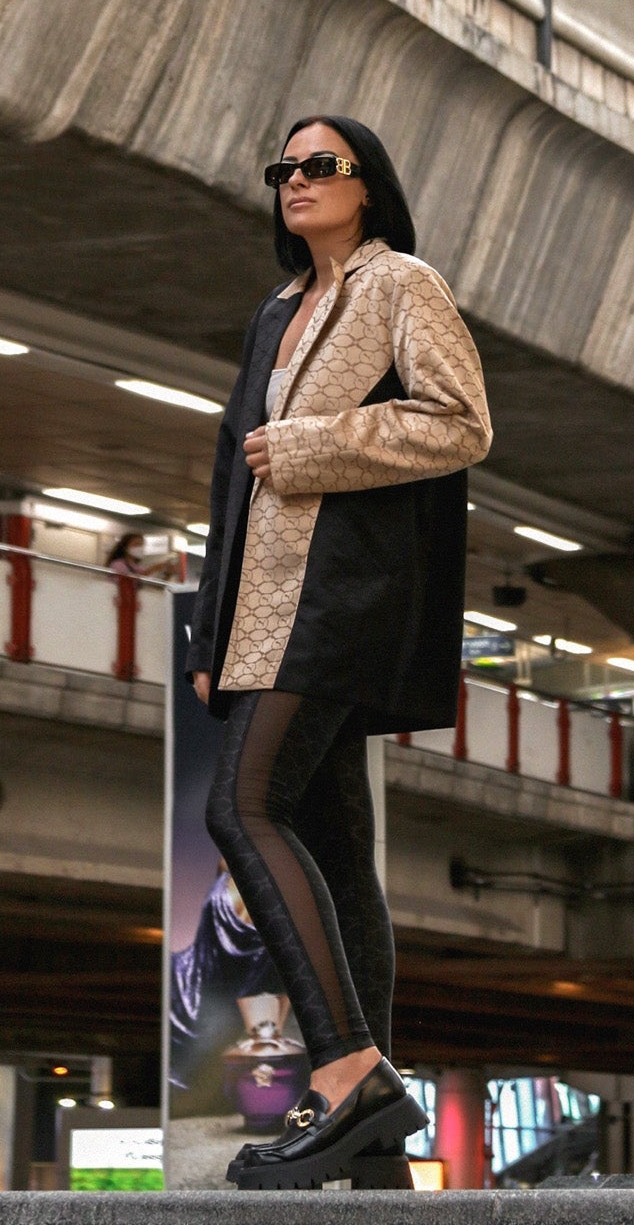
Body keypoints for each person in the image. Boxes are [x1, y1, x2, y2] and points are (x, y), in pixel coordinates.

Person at [187, 115, 492, 1189]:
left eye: (322, 165)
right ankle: (378, 1155)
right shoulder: (276, 312)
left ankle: (349, 1069)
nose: (297, 180)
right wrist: (210, 626)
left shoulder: (401, 284)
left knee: (242, 807)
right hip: (263, 609)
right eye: (285, 168)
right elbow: (232, 475)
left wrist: (315, 444)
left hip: (342, 597)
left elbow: (460, 421)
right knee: (337, 850)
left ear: (368, 186)